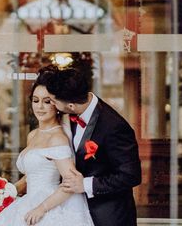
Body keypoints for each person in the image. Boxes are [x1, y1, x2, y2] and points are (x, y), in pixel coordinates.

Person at [0, 72, 94, 226]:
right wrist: (5, 193)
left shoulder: (57, 138)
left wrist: (42, 209)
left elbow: (71, 184)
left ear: (56, 105)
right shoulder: (33, 135)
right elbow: (32, 174)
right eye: (36, 101)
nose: (40, 107)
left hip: (49, 206)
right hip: (28, 201)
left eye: (47, 101)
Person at [45, 66, 142, 226]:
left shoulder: (114, 127)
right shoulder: (67, 117)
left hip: (109, 215)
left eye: (54, 101)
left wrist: (86, 184)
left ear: (71, 106)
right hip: (74, 211)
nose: (52, 105)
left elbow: (131, 175)